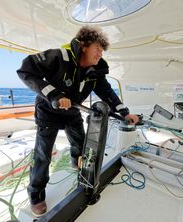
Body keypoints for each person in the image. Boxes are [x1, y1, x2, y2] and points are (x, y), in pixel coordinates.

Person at [17, 25, 139, 217]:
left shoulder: (95, 71)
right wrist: (55, 95)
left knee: (81, 145)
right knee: (43, 154)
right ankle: (36, 195)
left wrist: (125, 113)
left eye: (102, 51)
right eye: (97, 49)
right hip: (48, 112)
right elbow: (26, 70)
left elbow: (108, 93)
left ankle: (77, 163)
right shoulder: (59, 56)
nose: (100, 54)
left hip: (72, 111)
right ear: (84, 46)